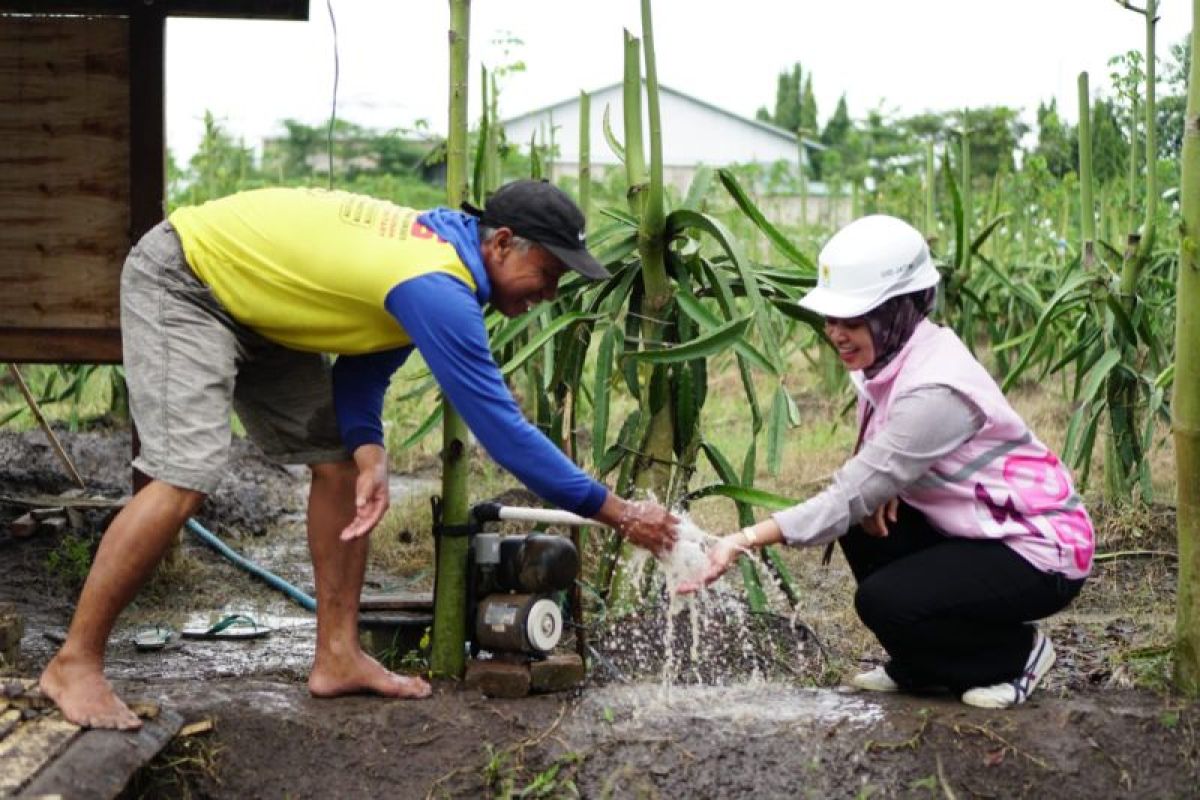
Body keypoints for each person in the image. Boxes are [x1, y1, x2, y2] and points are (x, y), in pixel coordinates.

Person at [41, 181, 678, 729]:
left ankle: (338, 656)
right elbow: (503, 432)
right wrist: (619, 512)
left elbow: (364, 367)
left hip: (258, 301)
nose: (551, 290)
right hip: (188, 278)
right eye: (551, 272)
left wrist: (368, 448)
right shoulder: (436, 284)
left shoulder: (442, 257)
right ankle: (75, 664)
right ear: (503, 242)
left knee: (341, 466)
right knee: (186, 473)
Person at [685, 214, 1092, 709]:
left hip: (1038, 549)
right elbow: (870, 481)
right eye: (831, 319)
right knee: (862, 525)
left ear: (897, 311)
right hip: (981, 528)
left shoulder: (936, 389)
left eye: (853, 320)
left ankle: (1014, 654)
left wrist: (743, 539)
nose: (835, 333)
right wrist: (889, 488)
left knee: (884, 599)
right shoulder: (888, 359)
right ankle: (921, 666)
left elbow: (849, 492)